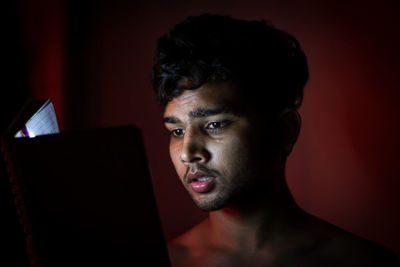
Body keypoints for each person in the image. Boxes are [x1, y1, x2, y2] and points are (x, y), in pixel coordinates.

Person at [151, 14, 399, 267]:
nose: (187, 153)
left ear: (284, 131)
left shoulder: (361, 262)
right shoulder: (167, 261)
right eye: (177, 131)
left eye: (214, 125)